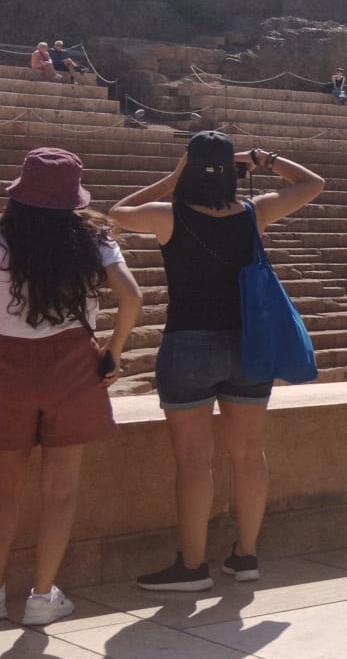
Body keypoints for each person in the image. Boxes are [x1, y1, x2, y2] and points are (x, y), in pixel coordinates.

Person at [108, 133, 325, 591]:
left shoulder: (167, 216)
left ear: (189, 169)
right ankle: (245, 557)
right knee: (248, 455)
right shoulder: (254, 213)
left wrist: (172, 178)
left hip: (188, 345)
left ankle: (191, 567)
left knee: (192, 461)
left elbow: (116, 213)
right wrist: (262, 158)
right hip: (249, 347)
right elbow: (312, 183)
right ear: (232, 171)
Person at [0, 150, 142, 624]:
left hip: (6, 368)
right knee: (60, 491)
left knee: (4, 490)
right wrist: (114, 352)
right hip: (74, 367)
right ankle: (42, 597)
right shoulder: (94, 238)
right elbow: (131, 297)